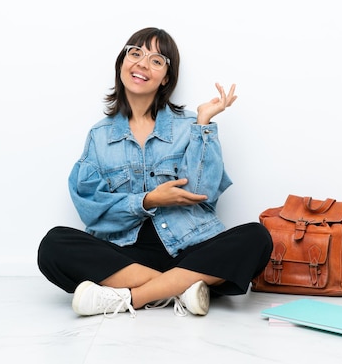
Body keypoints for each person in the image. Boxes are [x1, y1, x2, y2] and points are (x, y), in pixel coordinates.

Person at [37, 27, 273, 318]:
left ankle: (129, 297)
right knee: (53, 246)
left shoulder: (190, 126)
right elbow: (91, 209)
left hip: (191, 249)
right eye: (135, 53)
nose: (142, 64)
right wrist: (148, 200)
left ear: (166, 78)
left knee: (257, 237)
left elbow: (204, 194)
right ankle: (182, 288)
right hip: (127, 254)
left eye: (156, 60)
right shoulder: (99, 136)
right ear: (122, 63)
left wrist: (203, 125)